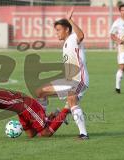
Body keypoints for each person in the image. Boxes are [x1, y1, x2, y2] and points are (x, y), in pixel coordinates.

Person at [35, 8, 89, 140]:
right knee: (40, 92)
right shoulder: (66, 43)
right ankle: (46, 119)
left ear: (67, 30)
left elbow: (81, 35)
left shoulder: (73, 38)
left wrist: (70, 19)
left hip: (79, 79)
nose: (56, 33)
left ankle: (83, 134)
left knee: (71, 99)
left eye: (58, 30)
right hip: (70, 80)